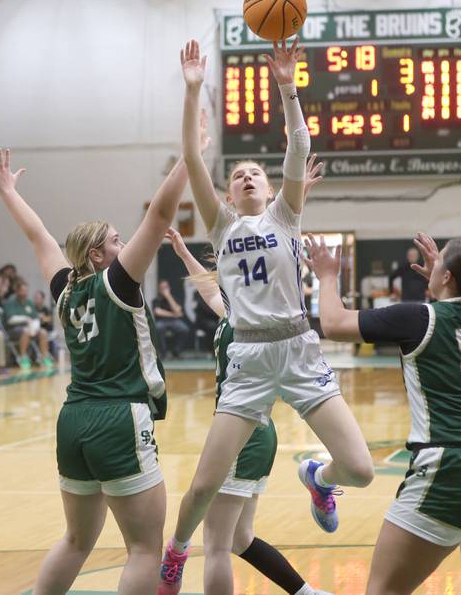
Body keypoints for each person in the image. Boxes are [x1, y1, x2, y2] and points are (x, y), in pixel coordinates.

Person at [159, 39, 373, 595]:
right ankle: (177, 549)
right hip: (249, 358)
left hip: (299, 348)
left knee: (360, 469)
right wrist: (190, 90)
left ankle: (317, 478)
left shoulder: (285, 215)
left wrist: (287, 86)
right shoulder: (222, 226)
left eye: (257, 171)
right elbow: (189, 153)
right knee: (204, 486)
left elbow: (299, 143)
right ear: (229, 192)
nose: (248, 177)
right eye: (239, 175)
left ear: (274, 186)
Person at [0, 144, 190, 594]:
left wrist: (7, 192)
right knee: (144, 549)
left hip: (73, 420)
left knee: (77, 540)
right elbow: (159, 215)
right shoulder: (116, 281)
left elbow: (39, 237)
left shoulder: (63, 289)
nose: (125, 244)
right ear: (97, 255)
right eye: (117, 240)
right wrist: (189, 157)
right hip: (118, 417)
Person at [305, 232, 461, 595]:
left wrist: (327, 276)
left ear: (448, 276)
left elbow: (333, 323)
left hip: (451, 468)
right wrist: (445, 275)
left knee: (383, 590)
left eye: (440, 263)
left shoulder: (419, 318)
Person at [166, 224, 331, 595]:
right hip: (255, 431)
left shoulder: (259, 317)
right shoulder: (235, 312)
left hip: (243, 432)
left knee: (217, 546)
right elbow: (210, 288)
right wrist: (182, 253)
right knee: (240, 539)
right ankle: (308, 594)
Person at [3, 278, 52, 370]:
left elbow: (36, 319)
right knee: (25, 331)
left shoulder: (29, 303)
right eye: (22, 291)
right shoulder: (11, 302)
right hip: (13, 330)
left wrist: (34, 329)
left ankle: (45, 357)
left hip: (30, 328)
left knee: (43, 332)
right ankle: (23, 357)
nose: (25, 293)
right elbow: (10, 320)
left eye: (26, 291)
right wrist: (25, 319)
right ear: (17, 291)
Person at [152, 280, 191, 358]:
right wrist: (174, 315)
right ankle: (163, 352)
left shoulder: (175, 298)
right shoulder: (156, 300)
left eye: (166, 287)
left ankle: (176, 351)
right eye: (162, 288)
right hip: (161, 321)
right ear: (159, 289)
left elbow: (177, 310)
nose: (164, 290)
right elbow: (158, 312)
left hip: (174, 321)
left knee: (184, 329)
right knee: (158, 328)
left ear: (169, 288)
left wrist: (168, 296)